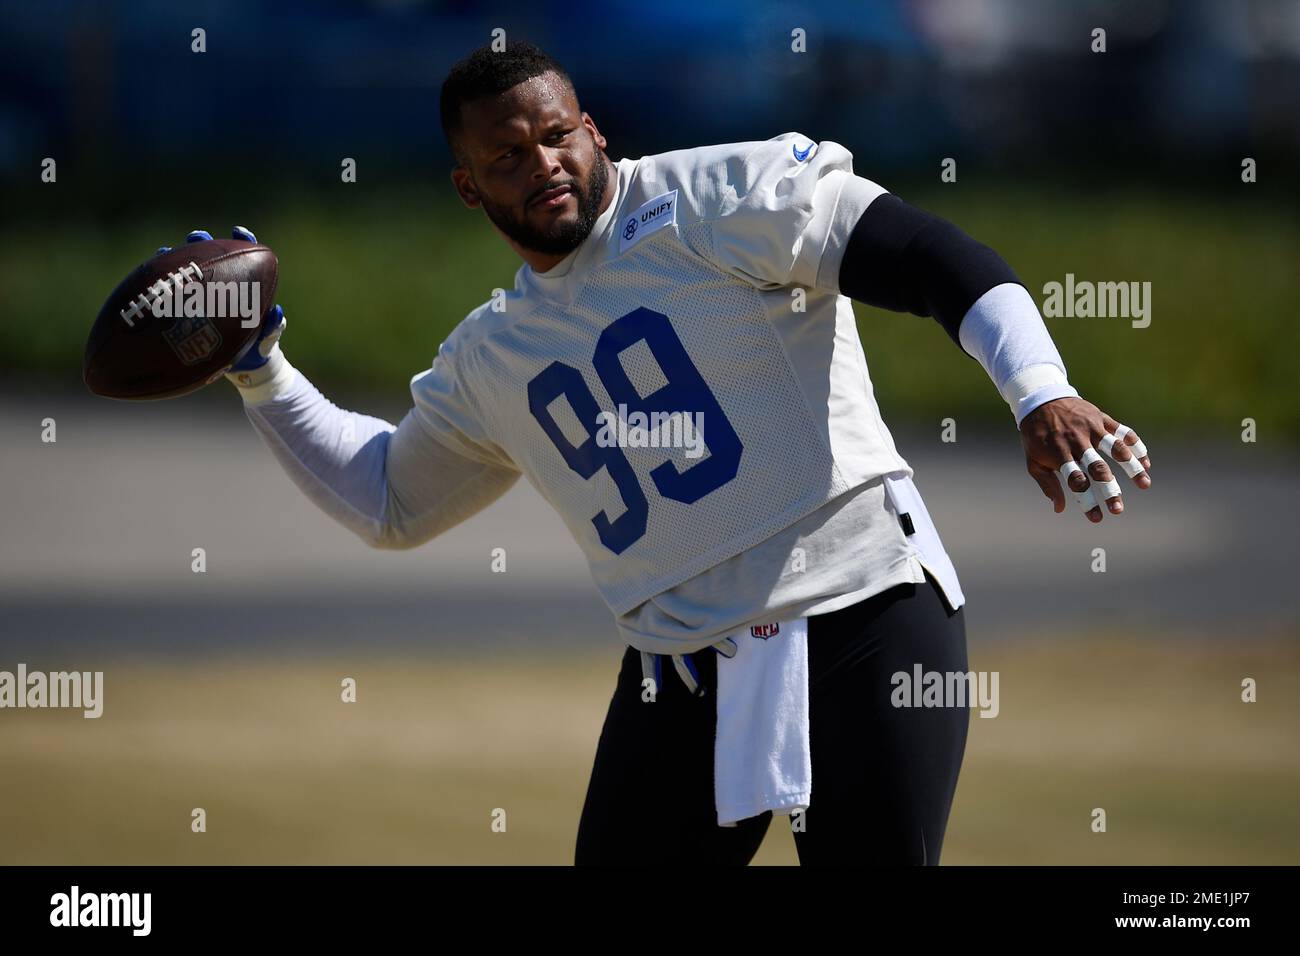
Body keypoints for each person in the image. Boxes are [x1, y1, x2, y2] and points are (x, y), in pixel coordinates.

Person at [177, 40, 1151, 865]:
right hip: (682, 664)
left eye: (557, 134)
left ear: (592, 128)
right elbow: (388, 493)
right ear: (467, 186)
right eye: (509, 155)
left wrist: (1041, 391)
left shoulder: (720, 196)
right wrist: (259, 369)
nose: (545, 162)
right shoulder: (491, 352)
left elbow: (933, 257)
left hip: (863, 611)